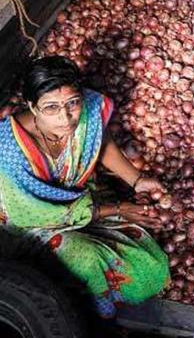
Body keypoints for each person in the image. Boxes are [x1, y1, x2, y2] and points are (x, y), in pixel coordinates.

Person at [0, 56, 170, 319]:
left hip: (74, 202)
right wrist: (117, 208)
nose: (65, 117)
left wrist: (137, 179)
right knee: (87, 259)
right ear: (32, 107)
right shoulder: (9, 150)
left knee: (149, 255)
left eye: (72, 103)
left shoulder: (88, 108)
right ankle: (98, 314)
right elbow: (30, 214)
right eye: (51, 108)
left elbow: (100, 140)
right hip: (23, 221)